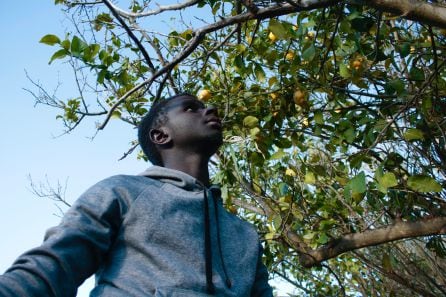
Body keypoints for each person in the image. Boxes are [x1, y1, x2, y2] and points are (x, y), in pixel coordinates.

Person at [0, 93, 273, 296]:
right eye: (191, 108)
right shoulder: (123, 192)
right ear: (161, 135)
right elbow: (56, 264)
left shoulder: (244, 234)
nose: (210, 108)